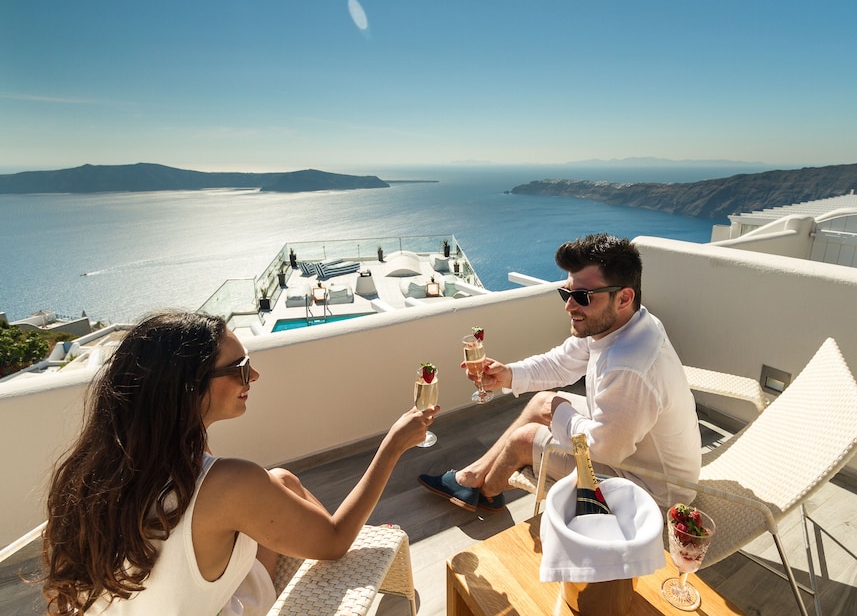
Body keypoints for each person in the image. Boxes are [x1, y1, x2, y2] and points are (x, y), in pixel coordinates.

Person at [42, 311, 436, 615]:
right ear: (189, 388)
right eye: (241, 369)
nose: (255, 375)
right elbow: (332, 545)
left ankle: (340, 527)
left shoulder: (90, 476)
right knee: (332, 536)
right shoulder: (227, 483)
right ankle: (357, 533)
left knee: (281, 480)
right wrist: (393, 446)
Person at [418, 233, 700, 512]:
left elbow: (605, 450)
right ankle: (471, 479)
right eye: (566, 293)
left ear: (624, 297)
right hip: (632, 451)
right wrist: (508, 375)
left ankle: (487, 492)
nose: (568, 306)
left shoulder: (629, 366)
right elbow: (562, 362)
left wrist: (561, 415)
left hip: (653, 489)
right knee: (542, 401)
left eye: (582, 296)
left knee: (524, 439)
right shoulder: (623, 323)